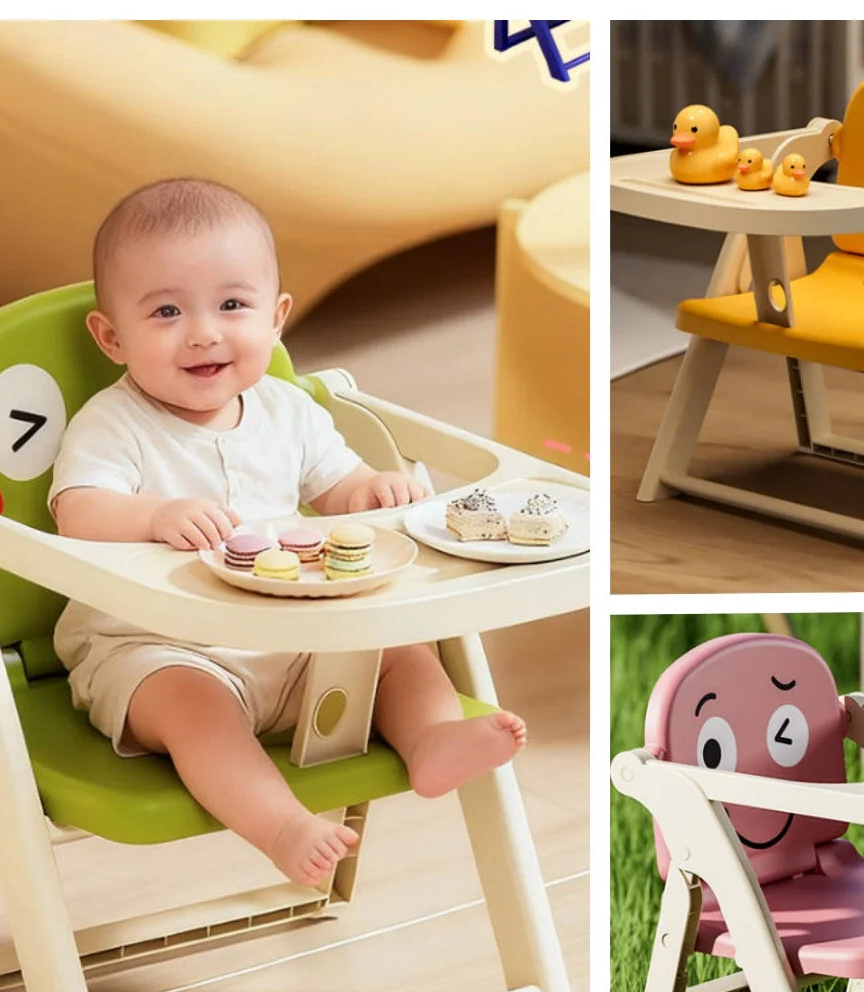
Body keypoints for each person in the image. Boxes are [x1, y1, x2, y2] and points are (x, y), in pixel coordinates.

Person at [50, 178, 526, 888]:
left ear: (276, 320)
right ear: (112, 336)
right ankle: (279, 825)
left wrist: (375, 490)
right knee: (194, 709)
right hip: (155, 647)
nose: (205, 331)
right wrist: (152, 515)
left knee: (398, 647)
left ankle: (430, 739)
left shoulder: (288, 411)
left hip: (297, 642)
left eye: (232, 305)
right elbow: (76, 510)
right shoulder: (113, 423)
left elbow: (339, 489)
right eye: (168, 311)